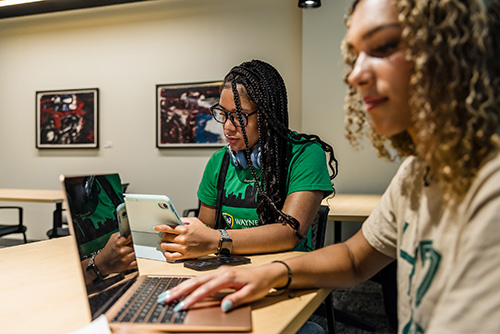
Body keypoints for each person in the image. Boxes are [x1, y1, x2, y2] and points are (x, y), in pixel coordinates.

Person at [157, 0, 500, 333]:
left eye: (382, 46)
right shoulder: (414, 174)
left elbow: (291, 232)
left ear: (453, 52)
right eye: (355, 55)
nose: (354, 75)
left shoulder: (490, 187)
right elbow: (353, 258)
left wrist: (222, 241)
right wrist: (266, 273)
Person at [154, 59, 338, 261]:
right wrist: (187, 238)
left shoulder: (305, 154)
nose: (227, 127)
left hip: (286, 272)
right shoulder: (219, 161)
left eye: (239, 116)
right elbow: (206, 229)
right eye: (223, 114)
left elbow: (289, 233)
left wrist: (217, 239)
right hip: (228, 274)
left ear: (267, 115)